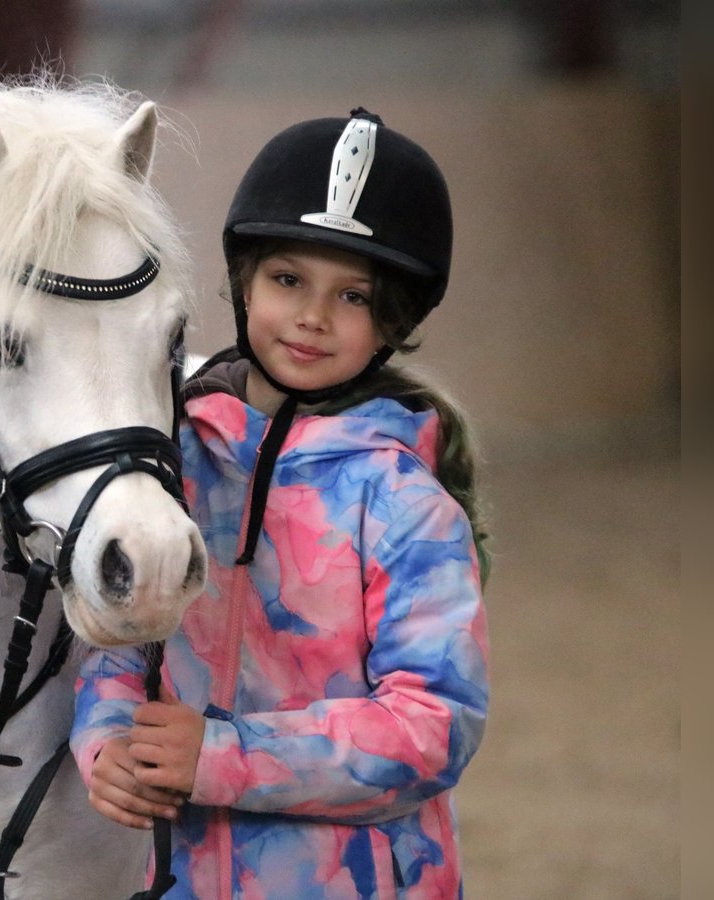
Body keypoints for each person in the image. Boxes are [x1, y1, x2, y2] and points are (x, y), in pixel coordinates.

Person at [71, 109, 491, 899]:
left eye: (354, 297)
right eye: (288, 279)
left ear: (392, 320)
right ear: (244, 284)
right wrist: (106, 742)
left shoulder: (406, 503)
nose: (312, 317)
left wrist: (219, 755)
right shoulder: (174, 461)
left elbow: (433, 728)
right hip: (172, 879)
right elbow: (120, 641)